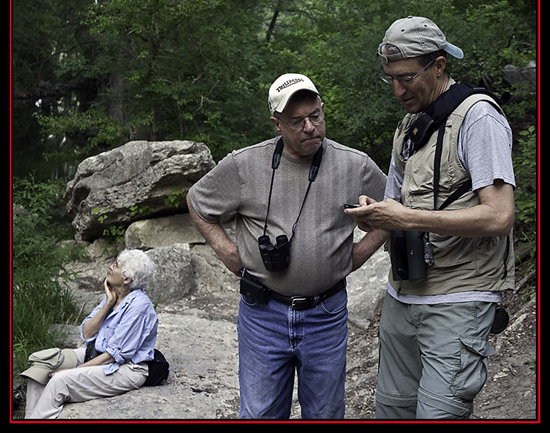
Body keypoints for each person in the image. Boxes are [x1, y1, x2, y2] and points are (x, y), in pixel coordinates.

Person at [187, 73, 387, 419]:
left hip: (326, 313)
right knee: (260, 413)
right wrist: (226, 251)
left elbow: (394, 209)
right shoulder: (244, 165)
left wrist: (358, 255)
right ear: (276, 124)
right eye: (297, 122)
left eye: (316, 116)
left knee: (325, 413)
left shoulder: (354, 165)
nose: (310, 127)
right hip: (263, 314)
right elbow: (197, 201)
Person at [346, 16, 516, 419]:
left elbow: (499, 216)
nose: (397, 89)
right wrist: (376, 216)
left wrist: (406, 217)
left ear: (439, 65)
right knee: (392, 410)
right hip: (402, 295)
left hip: (460, 297)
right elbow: (396, 209)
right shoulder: (408, 127)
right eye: (389, 78)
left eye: (406, 77)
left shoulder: (480, 118)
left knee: (439, 413)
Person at [22, 249, 158, 419]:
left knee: (60, 381)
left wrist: (76, 371)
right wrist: (107, 304)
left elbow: (113, 356)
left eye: (115, 265)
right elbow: (87, 334)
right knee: (42, 364)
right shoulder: (115, 295)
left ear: (127, 279)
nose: (110, 266)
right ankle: (31, 417)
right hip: (99, 352)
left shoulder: (139, 306)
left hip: (126, 368)